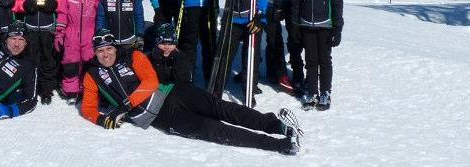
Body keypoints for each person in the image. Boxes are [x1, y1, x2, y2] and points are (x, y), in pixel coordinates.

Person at [81, 30, 303, 155]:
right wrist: (102, 120)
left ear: (115, 48)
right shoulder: (92, 75)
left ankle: (274, 125)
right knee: (214, 130)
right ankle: (278, 145)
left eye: (109, 49)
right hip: (162, 118)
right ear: (95, 53)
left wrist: (125, 106)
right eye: (100, 51)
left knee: (221, 108)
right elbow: (88, 108)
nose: (106, 54)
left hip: (173, 94)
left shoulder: (132, 56)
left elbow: (150, 81)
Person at [289, 0, 343, 111]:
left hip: (325, 27)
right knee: (311, 61)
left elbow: (337, 6)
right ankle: (312, 91)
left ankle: (325, 92)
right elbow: (295, 4)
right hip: (306, 26)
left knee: (324, 61)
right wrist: (295, 27)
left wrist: (337, 29)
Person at [222, 0, 271, 107]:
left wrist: (260, 15)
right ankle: (218, 87)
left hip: (252, 19)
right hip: (234, 20)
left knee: (250, 56)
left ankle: (249, 88)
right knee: (226, 55)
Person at [13, 0, 65, 105]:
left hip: (48, 27)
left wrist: (53, 4)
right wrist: (26, 5)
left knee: (48, 59)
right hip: (30, 27)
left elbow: (62, 2)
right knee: (31, 59)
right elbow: (17, 3)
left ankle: (47, 89)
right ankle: (32, 87)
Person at [54, 0, 102, 104]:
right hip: (71, 35)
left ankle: (86, 88)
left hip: (89, 35)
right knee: (71, 63)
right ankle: (71, 90)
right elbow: (62, 14)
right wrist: (60, 33)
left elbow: (100, 15)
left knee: (88, 62)